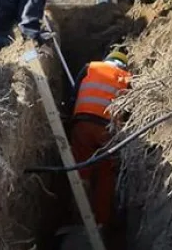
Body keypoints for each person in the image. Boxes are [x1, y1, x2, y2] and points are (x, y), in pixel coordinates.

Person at [70, 50, 132, 232]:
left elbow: (74, 94)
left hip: (81, 124)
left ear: (107, 60)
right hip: (107, 130)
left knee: (80, 169)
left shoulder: (90, 67)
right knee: (106, 174)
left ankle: (77, 218)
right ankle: (101, 222)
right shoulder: (127, 77)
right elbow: (129, 112)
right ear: (123, 65)